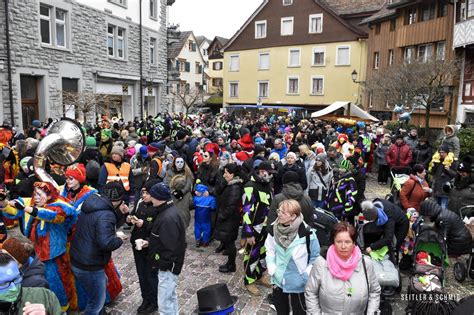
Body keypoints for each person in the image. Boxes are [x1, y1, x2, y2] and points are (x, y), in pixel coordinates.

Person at [3, 182, 78, 311]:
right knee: (49, 280)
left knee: (59, 281)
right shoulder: (30, 203)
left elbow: (50, 215)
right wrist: (3, 202)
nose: (36, 197)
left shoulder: (59, 205)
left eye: (40, 194)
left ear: (49, 195)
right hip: (40, 252)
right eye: (35, 193)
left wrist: (26, 209)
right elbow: (13, 209)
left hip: (55, 254)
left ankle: (62, 307)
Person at [70, 182, 129, 315]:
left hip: (79, 259)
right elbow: (106, 243)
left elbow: (104, 225)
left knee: (98, 289)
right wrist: (119, 238)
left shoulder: (93, 202)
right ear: (118, 200)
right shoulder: (106, 214)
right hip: (90, 265)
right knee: (95, 303)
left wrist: (120, 213)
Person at [304, 222, 381, 314]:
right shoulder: (321, 263)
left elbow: (374, 291)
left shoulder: (366, 264)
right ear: (333, 242)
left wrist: (371, 313)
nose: (343, 246)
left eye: (347, 242)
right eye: (339, 242)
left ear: (354, 243)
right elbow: (311, 292)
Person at [265, 200, 320, 315]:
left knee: (299, 312)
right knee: (281, 311)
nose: (279, 214)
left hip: (299, 282)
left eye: (283, 213)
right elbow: (269, 250)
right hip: (278, 279)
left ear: (293, 216)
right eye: (279, 210)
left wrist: (305, 276)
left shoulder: (307, 233)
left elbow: (315, 257)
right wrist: (272, 268)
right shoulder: (272, 229)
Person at [148, 183, 186, 315]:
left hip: (168, 267)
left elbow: (171, 248)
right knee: (170, 297)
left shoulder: (167, 217)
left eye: (152, 196)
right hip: (168, 265)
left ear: (158, 197)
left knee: (164, 304)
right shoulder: (166, 212)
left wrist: (163, 266)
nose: (150, 198)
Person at [127, 179, 160, 314]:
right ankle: (145, 299)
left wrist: (144, 224)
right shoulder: (140, 203)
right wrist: (129, 218)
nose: (143, 195)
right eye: (143, 192)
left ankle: (154, 301)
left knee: (151, 275)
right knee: (141, 274)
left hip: (150, 245)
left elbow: (159, 228)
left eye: (146, 193)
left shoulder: (158, 207)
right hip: (137, 244)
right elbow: (133, 216)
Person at [242, 161, 274, 296]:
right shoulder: (250, 186)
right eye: (269, 173)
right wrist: (248, 233)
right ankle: (249, 281)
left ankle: (260, 275)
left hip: (266, 229)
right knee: (251, 255)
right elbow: (246, 211)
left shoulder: (268, 185)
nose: (271, 176)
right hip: (254, 229)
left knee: (262, 254)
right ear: (261, 171)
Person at [214, 163, 244, 273]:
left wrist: (222, 216)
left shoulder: (235, 188)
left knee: (230, 243)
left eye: (227, 173)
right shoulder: (229, 184)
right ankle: (230, 263)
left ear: (233, 174)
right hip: (227, 219)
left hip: (230, 220)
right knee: (228, 242)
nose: (224, 175)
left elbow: (231, 207)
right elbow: (218, 191)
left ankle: (231, 265)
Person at [163, 155, 194, 228]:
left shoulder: (188, 172)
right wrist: (173, 192)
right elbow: (166, 184)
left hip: (185, 197)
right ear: (174, 163)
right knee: (173, 215)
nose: (179, 163)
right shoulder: (169, 172)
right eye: (178, 162)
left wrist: (182, 192)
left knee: (184, 216)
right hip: (172, 197)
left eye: (181, 162)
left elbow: (189, 184)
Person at [429, 144, 458, 209]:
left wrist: (449, 170)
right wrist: (434, 166)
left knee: (443, 208)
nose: (441, 154)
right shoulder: (436, 160)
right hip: (436, 188)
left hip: (445, 190)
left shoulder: (452, 161)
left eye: (443, 152)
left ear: (447, 152)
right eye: (440, 152)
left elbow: (456, 174)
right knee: (436, 208)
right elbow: (432, 173)